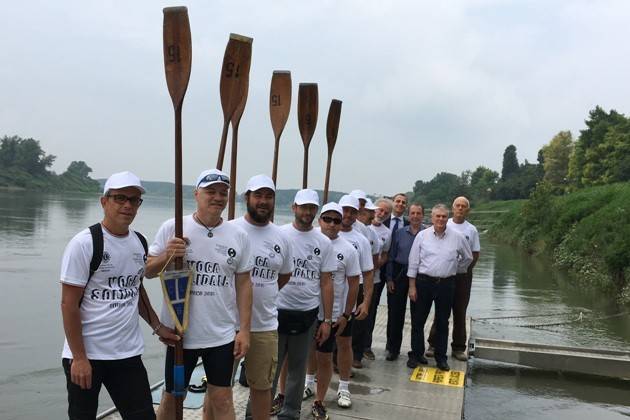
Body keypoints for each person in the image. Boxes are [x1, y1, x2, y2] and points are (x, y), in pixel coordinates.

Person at [60, 171, 178, 420]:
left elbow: (136, 289)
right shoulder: (84, 243)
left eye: (134, 200)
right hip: (87, 355)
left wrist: (158, 327)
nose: (127, 205)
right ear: (104, 201)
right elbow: (68, 304)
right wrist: (79, 358)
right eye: (120, 198)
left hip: (127, 354)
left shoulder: (140, 242)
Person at [145, 169, 253, 420]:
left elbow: (245, 284)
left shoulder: (238, 235)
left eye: (223, 193)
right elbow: (148, 271)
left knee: (222, 398)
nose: (217, 197)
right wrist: (167, 255)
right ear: (196, 194)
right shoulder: (173, 226)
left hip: (221, 334)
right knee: (173, 396)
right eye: (210, 192)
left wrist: (244, 329)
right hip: (180, 333)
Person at [230, 175, 294, 420]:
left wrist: (262, 293)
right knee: (219, 388)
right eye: (258, 195)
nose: (263, 201)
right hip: (228, 324)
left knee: (262, 387)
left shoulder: (281, 236)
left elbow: (284, 275)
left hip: (265, 325)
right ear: (247, 198)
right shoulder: (231, 229)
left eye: (268, 196)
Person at [270, 189, 336, 420]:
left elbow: (326, 282)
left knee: (298, 370)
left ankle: (290, 414)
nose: (307, 212)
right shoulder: (278, 234)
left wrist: (326, 320)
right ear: (294, 208)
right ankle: (257, 412)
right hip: (277, 311)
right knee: (270, 368)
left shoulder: (323, 242)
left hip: (307, 314)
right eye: (303, 207)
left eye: (312, 208)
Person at [303, 202, 361, 420]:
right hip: (307, 308)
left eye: (336, 220)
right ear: (319, 220)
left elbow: (354, 283)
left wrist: (347, 314)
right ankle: (308, 382)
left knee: (327, 356)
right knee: (308, 350)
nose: (331, 224)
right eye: (327, 219)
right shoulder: (309, 240)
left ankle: (333, 393)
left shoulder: (348, 249)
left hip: (334, 313)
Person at [406, 204, 473, 372]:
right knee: (418, 321)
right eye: (438, 216)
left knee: (443, 322)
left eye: (444, 216)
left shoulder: (457, 237)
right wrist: (412, 286)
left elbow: (468, 257)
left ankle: (441, 358)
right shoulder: (422, 236)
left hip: (446, 284)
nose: (441, 219)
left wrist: (454, 269)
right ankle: (416, 354)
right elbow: (413, 262)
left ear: (447, 218)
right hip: (423, 282)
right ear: (432, 217)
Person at [426, 196, 480, 361]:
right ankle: (433, 344)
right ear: (453, 207)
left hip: (463, 276)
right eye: (458, 205)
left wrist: (463, 269)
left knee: (459, 310)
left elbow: (475, 254)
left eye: (464, 206)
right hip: (444, 275)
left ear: (467, 210)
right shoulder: (444, 223)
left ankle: (458, 347)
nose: (460, 208)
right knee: (441, 310)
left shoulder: (471, 230)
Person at [337, 194, 374, 406]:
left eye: (353, 212)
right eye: (345, 211)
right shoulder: (322, 234)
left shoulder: (361, 240)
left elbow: (368, 274)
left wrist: (366, 302)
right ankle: (309, 381)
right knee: (316, 344)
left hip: (351, 293)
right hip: (324, 293)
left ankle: (343, 388)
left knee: (345, 342)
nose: (348, 215)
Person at [385, 203, 426, 363]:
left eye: (418, 213)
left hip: (420, 275)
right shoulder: (400, 233)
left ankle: (417, 352)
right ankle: (393, 349)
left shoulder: (428, 233)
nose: (415, 216)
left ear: (422, 215)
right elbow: (391, 256)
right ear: (409, 215)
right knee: (395, 314)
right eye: (413, 213)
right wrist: (389, 278)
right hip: (399, 273)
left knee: (418, 315)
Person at [364, 198, 392, 360]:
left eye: (386, 213)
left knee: (370, 312)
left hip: (373, 277)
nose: (381, 214)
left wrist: (374, 265)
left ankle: (366, 346)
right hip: (354, 277)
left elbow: (385, 254)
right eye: (380, 210)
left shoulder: (387, 233)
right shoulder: (362, 227)